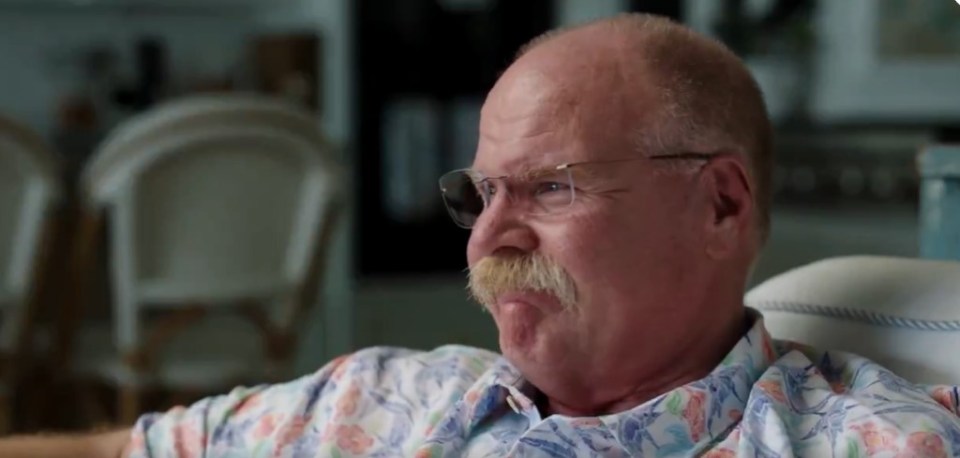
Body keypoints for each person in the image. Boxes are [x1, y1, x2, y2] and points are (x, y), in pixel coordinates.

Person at [3, 13, 960, 457]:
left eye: (550, 187)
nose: (491, 237)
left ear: (720, 205)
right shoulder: (373, 402)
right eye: (480, 193)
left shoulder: (870, 442)